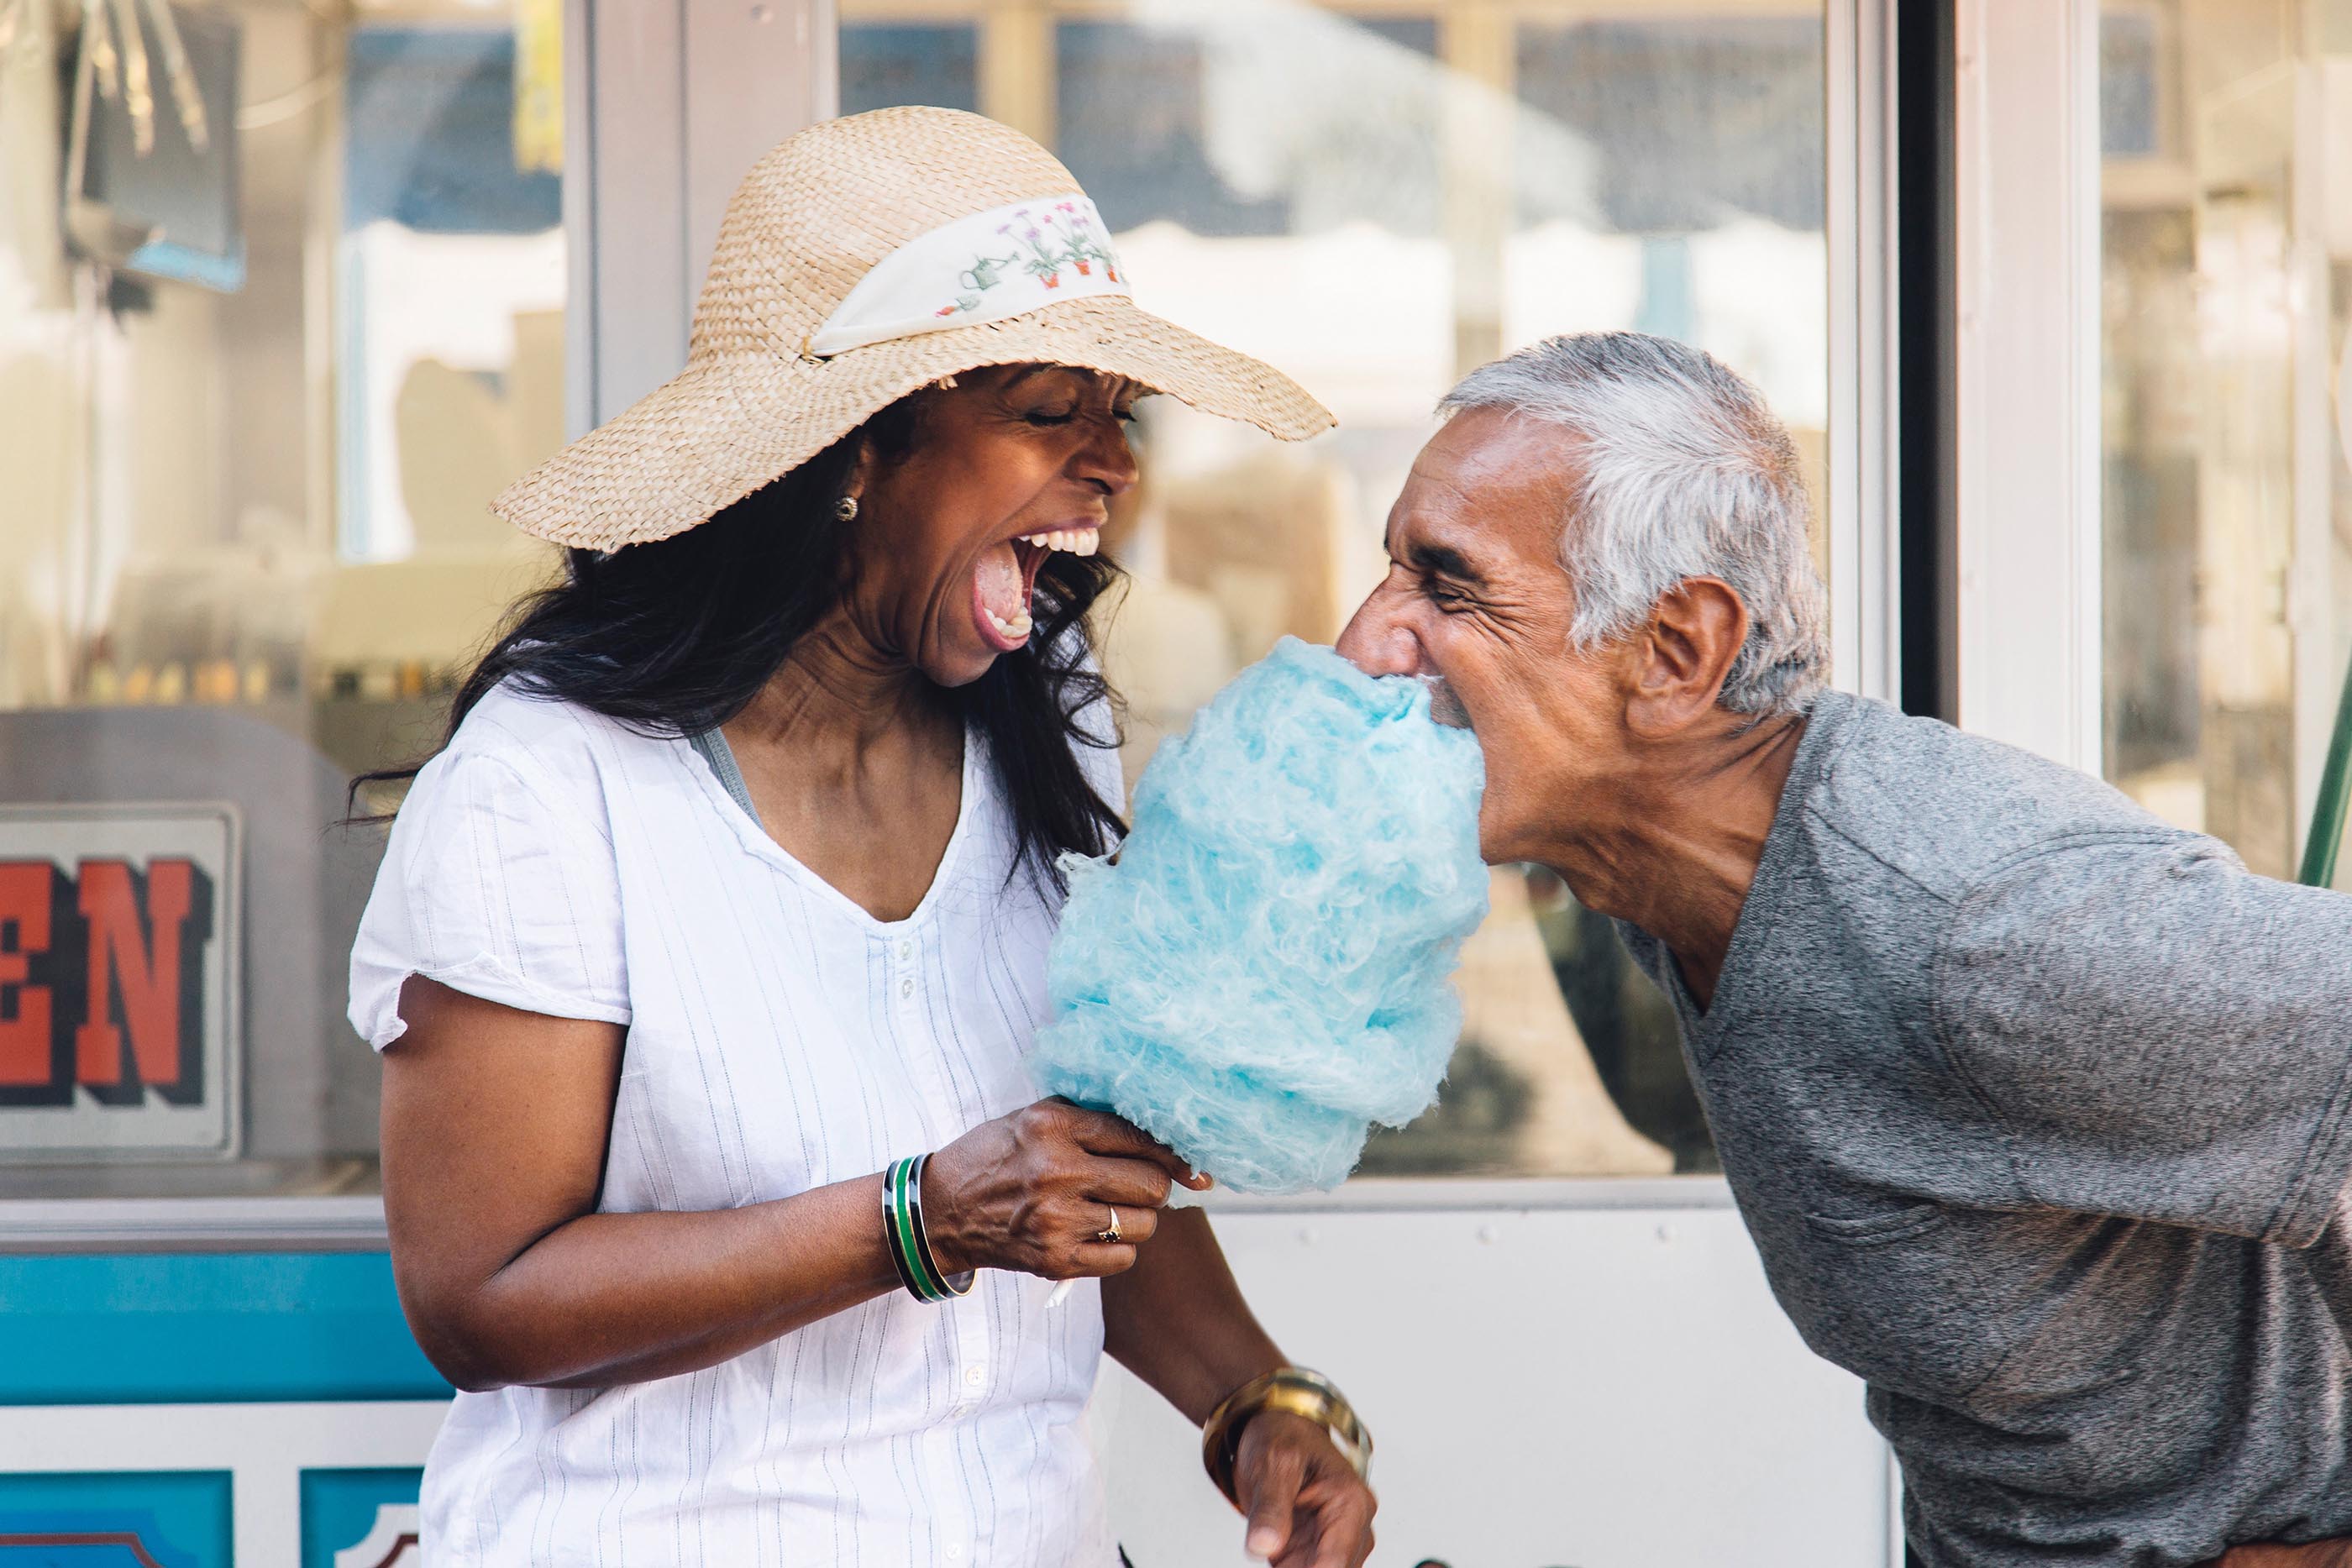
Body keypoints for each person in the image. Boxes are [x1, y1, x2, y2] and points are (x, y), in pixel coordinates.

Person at [348, 107, 1376, 1568]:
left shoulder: (1048, 723)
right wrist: (917, 1221)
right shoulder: (551, 781)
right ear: (858, 449)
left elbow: (1062, 1180)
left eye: (1116, 416)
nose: (1111, 468)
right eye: (1044, 410)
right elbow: (480, 1299)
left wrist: (1252, 1401)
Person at [1333, 330, 2352, 1568]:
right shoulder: (1659, 879)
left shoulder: (1985, 934)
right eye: (1392, 572)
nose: (1366, 642)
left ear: (1675, 652)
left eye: (1447, 586)